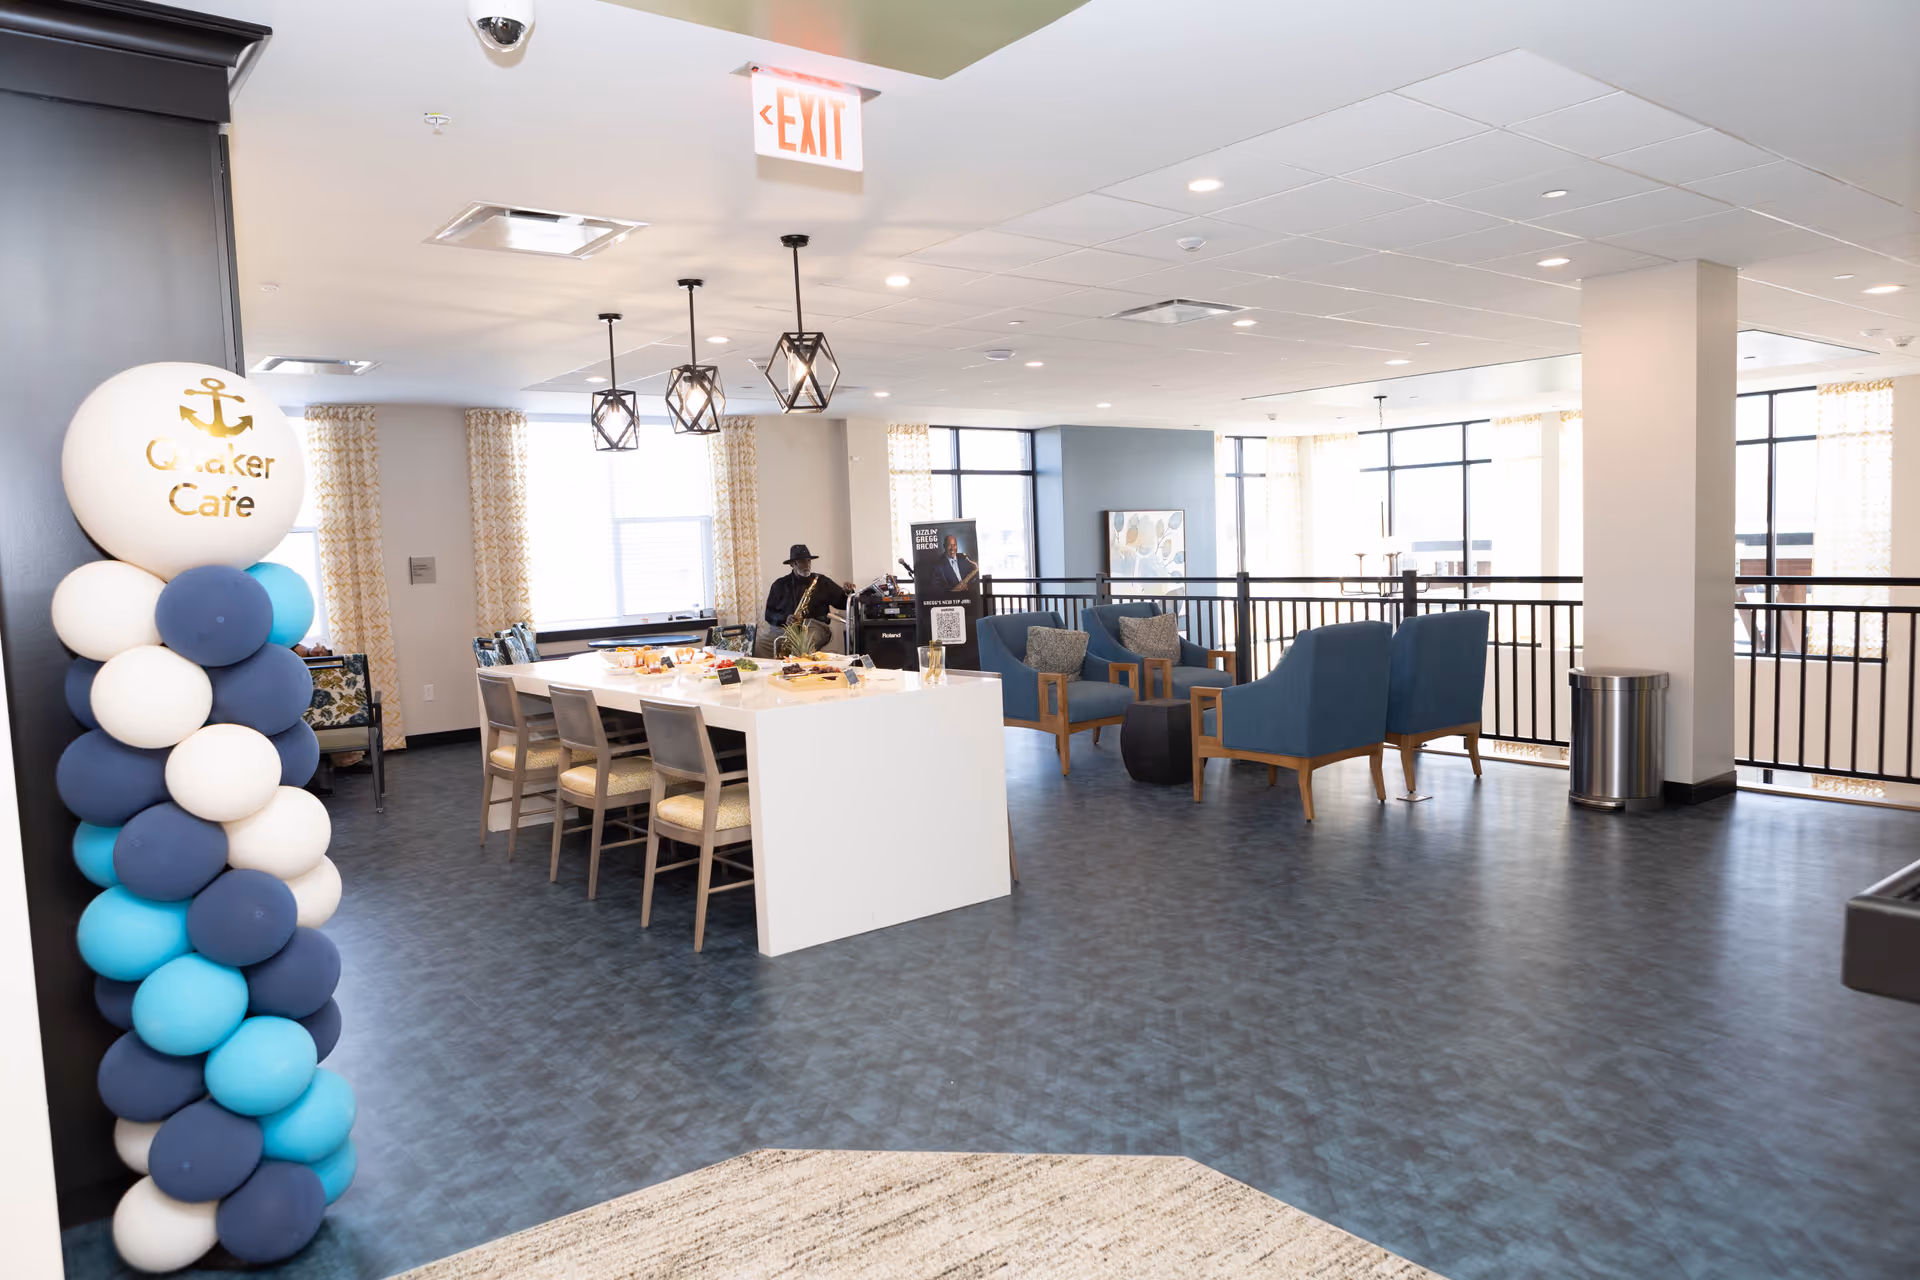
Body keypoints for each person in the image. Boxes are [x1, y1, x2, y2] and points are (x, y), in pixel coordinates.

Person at [757, 543, 853, 658]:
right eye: (802, 561)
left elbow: (843, 604)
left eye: (808, 561)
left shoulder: (821, 581)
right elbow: (769, 614)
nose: (807, 565)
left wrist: (847, 593)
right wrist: (784, 618)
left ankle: (801, 668)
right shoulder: (779, 585)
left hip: (816, 626)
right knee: (758, 646)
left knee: (802, 645)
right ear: (792, 564)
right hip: (785, 629)